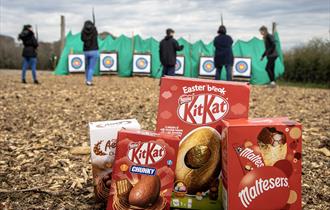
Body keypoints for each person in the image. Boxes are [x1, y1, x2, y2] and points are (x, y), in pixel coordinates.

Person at [81, 20, 99, 86]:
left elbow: (82, 39)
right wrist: (94, 27)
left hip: (86, 51)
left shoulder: (83, 32)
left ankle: (86, 79)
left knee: (87, 66)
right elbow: (96, 34)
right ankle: (89, 81)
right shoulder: (94, 31)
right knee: (91, 67)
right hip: (94, 51)